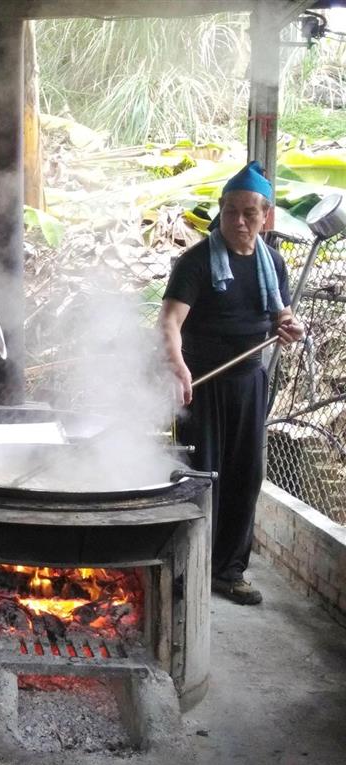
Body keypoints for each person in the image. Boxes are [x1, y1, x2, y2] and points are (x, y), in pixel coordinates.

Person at [158, 161, 305, 606]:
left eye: (249, 213)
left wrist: (289, 325)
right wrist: (177, 365)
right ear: (219, 212)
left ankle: (228, 570)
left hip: (249, 382)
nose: (239, 221)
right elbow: (170, 322)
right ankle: (187, 564)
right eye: (230, 212)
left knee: (245, 476)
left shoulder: (271, 263)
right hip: (200, 384)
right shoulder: (196, 262)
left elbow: (280, 313)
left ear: (266, 217)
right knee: (199, 474)